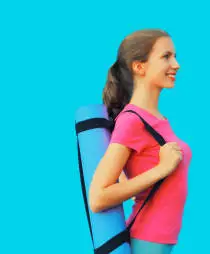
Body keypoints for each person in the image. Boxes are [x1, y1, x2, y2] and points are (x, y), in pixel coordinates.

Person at [88, 29, 192, 254]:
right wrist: (161, 169)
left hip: (161, 242)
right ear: (139, 66)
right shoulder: (131, 121)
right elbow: (98, 197)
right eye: (166, 57)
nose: (176, 64)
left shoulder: (157, 119)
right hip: (147, 241)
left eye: (175, 56)